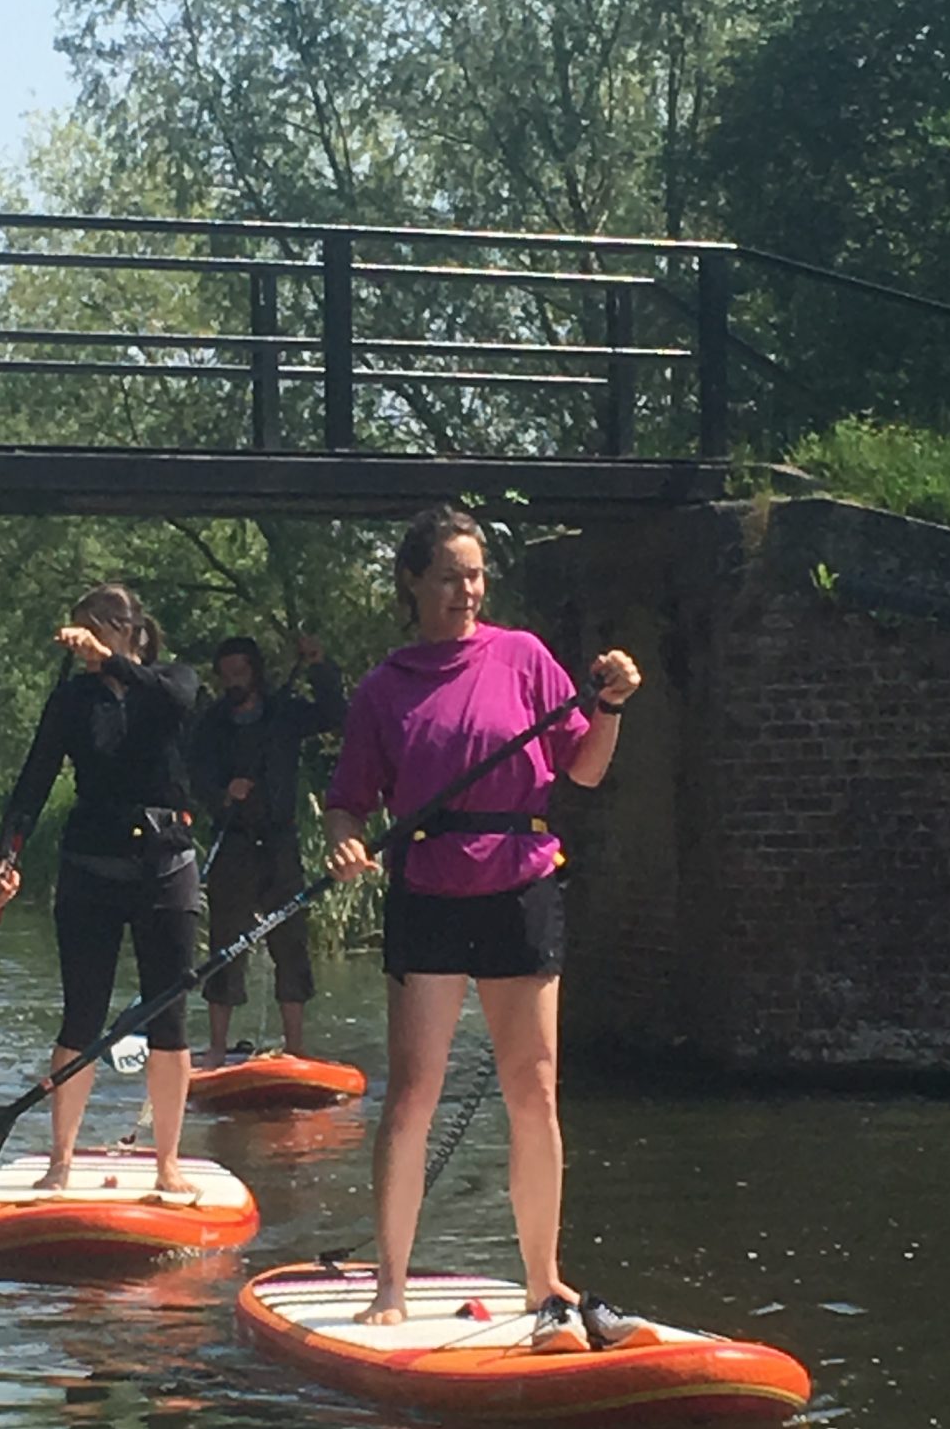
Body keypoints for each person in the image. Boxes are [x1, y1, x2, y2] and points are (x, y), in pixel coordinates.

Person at [323, 506, 643, 1352]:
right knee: (413, 1092)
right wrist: (345, 840)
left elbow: (586, 766)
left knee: (533, 1090)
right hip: (427, 889)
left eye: (475, 575)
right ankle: (390, 1282)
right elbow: (347, 802)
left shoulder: (526, 658)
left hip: (521, 886)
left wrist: (608, 706)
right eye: (449, 576)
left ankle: (545, 1281)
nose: (468, 590)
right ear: (413, 583)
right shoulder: (385, 687)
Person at [0, 583, 200, 1196]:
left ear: (126, 630)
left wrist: (114, 661)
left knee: (169, 1018)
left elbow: (175, 704)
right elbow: (34, 779)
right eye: (82, 634)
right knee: (82, 1015)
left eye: (96, 632)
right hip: (91, 866)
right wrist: (9, 852)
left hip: (165, 864)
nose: (86, 647)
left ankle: (167, 1164)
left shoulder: (171, 681)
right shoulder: (73, 698)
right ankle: (61, 1160)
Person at [189, 631, 346, 1062]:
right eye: (227, 675)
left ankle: (295, 1047)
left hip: (280, 841)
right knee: (225, 943)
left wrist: (319, 666)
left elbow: (336, 715)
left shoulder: (285, 713)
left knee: (291, 942)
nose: (234, 680)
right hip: (234, 843)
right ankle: (218, 1049)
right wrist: (223, 792)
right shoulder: (212, 723)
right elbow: (195, 775)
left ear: (255, 672)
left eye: (241, 672)